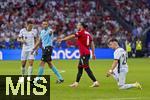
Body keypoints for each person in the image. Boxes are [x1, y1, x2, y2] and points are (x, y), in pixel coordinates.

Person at [58, 22, 99, 87]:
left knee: (86, 68)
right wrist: (93, 53)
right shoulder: (88, 34)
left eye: (78, 25)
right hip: (87, 53)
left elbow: (72, 36)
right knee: (80, 68)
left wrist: (63, 39)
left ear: (81, 26)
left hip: (84, 53)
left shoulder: (81, 32)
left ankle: (95, 82)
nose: (77, 26)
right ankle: (76, 83)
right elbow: (92, 44)